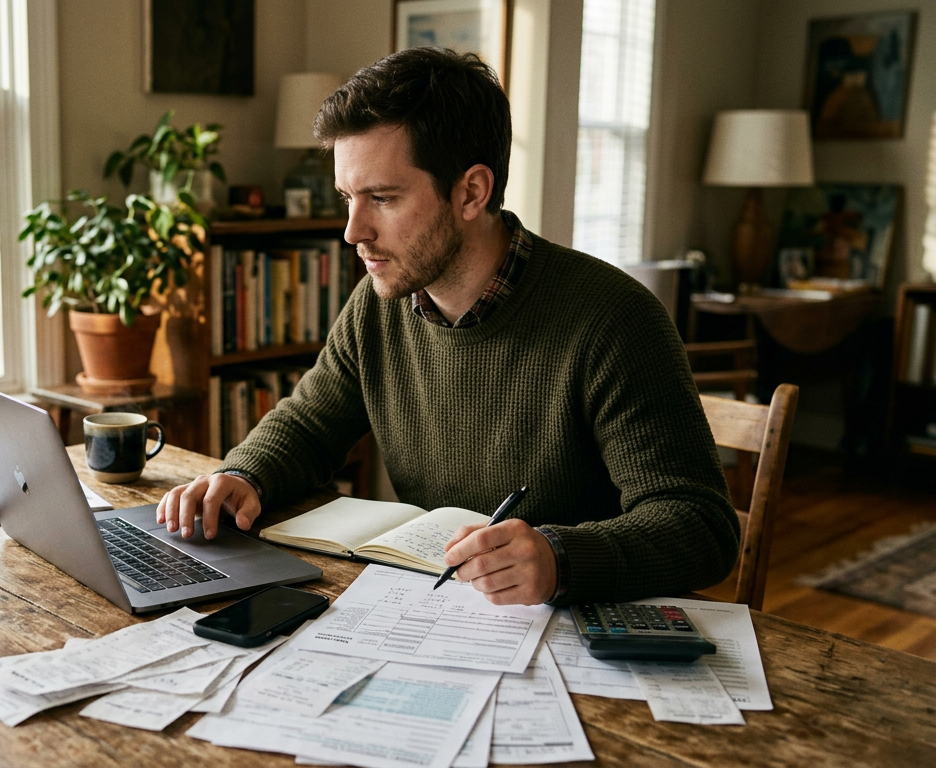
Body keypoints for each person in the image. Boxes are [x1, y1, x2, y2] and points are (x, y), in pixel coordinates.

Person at [155, 47, 738, 607]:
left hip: (573, 632)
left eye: (381, 198)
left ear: (471, 192)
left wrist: (562, 558)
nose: (353, 232)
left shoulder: (613, 319)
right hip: (432, 611)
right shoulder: (379, 304)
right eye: (347, 198)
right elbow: (310, 423)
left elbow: (700, 526)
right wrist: (242, 475)